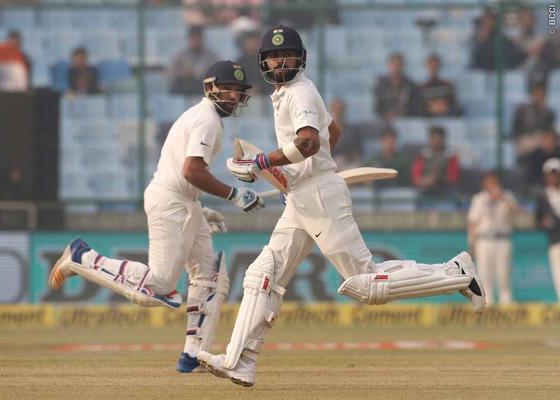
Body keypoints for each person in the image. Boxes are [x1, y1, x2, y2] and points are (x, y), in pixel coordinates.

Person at [197, 25, 485, 388]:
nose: (279, 62)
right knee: (262, 275)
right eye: (272, 57)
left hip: (319, 198)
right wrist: (299, 176)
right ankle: (240, 362)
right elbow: (331, 133)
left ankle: (456, 273)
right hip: (304, 196)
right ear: (263, 62)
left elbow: (309, 143)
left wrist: (265, 163)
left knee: (366, 284)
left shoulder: (300, 92)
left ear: (300, 59)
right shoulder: (288, 93)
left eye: (285, 55)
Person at [48, 61, 264, 372]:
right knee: (159, 285)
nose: (233, 96)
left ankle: (193, 355)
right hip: (172, 203)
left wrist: (198, 209)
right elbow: (191, 170)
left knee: (210, 276)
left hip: (183, 201)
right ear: (210, 88)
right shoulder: (206, 120)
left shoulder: (200, 116)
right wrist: (234, 195)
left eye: (238, 91)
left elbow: (184, 173)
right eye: (227, 88)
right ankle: (83, 257)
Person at [467, 171, 518, 305]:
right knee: (484, 273)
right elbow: (473, 222)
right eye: (488, 182)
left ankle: (506, 302)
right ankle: (487, 303)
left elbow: (516, 211)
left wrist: (501, 197)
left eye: (494, 182)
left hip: (502, 238)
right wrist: (472, 244)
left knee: (503, 273)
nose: (491, 185)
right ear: (484, 183)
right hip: (484, 239)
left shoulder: (507, 196)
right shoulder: (479, 199)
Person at [411, 125, 461, 197]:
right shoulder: (423, 155)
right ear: (430, 139)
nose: (437, 141)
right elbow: (416, 178)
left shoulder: (450, 156)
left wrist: (439, 178)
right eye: (434, 138)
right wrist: (426, 180)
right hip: (426, 187)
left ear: (443, 139)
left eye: (439, 139)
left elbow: (453, 178)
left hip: (445, 188)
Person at [536, 158, 560, 302]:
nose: (553, 177)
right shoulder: (543, 196)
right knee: (558, 275)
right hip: (555, 240)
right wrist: (544, 223)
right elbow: (538, 220)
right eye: (551, 175)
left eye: (556, 174)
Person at [169, 26, 219, 95]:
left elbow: (216, 75)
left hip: (202, 88)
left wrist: (197, 75)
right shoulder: (180, 56)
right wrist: (183, 74)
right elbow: (171, 74)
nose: (195, 41)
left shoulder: (211, 56)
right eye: (193, 38)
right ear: (189, 39)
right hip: (183, 87)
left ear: (202, 39)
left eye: (198, 38)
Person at [511, 82, 556, 159]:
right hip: (525, 140)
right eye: (537, 94)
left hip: (542, 140)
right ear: (532, 94)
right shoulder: (522, 110)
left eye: (542, 95)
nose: (539, 97)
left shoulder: (549, 112)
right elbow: (515, 130)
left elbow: (550, 131)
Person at [373, 52, 423, 121]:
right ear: (389, 66)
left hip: (405, 121)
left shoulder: (411, 85)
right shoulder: (381, 85)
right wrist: (386, 115)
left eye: (399, 65)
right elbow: (378, 107)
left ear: (403, 66)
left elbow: (415, 108)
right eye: (394, 65)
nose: (396, 68)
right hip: (385, 121)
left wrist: (401, 115)